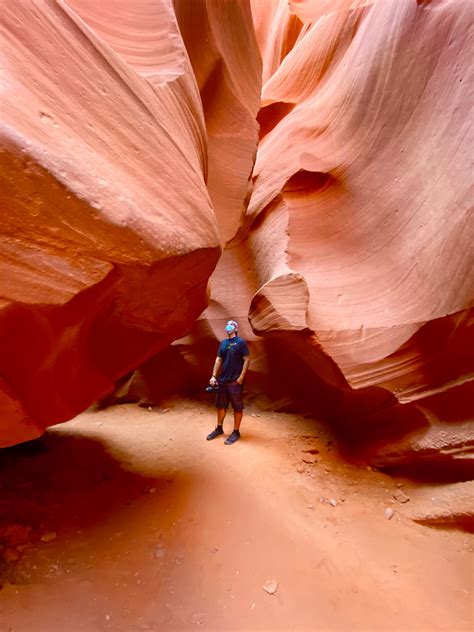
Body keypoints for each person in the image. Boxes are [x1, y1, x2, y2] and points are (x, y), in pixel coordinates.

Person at [206, 320, 250, 445]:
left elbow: (247, 359)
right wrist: (214, 376)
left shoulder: (241, 342)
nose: (228, 326)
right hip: (223, 380)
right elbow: (218, 359)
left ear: (236, 329)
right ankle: (219, 428)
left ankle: (236, 431)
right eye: (227, 324)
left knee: (237, 406)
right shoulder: (223, 343)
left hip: (235, 380)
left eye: (231, 324)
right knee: (221, 405)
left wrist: (241, 377)